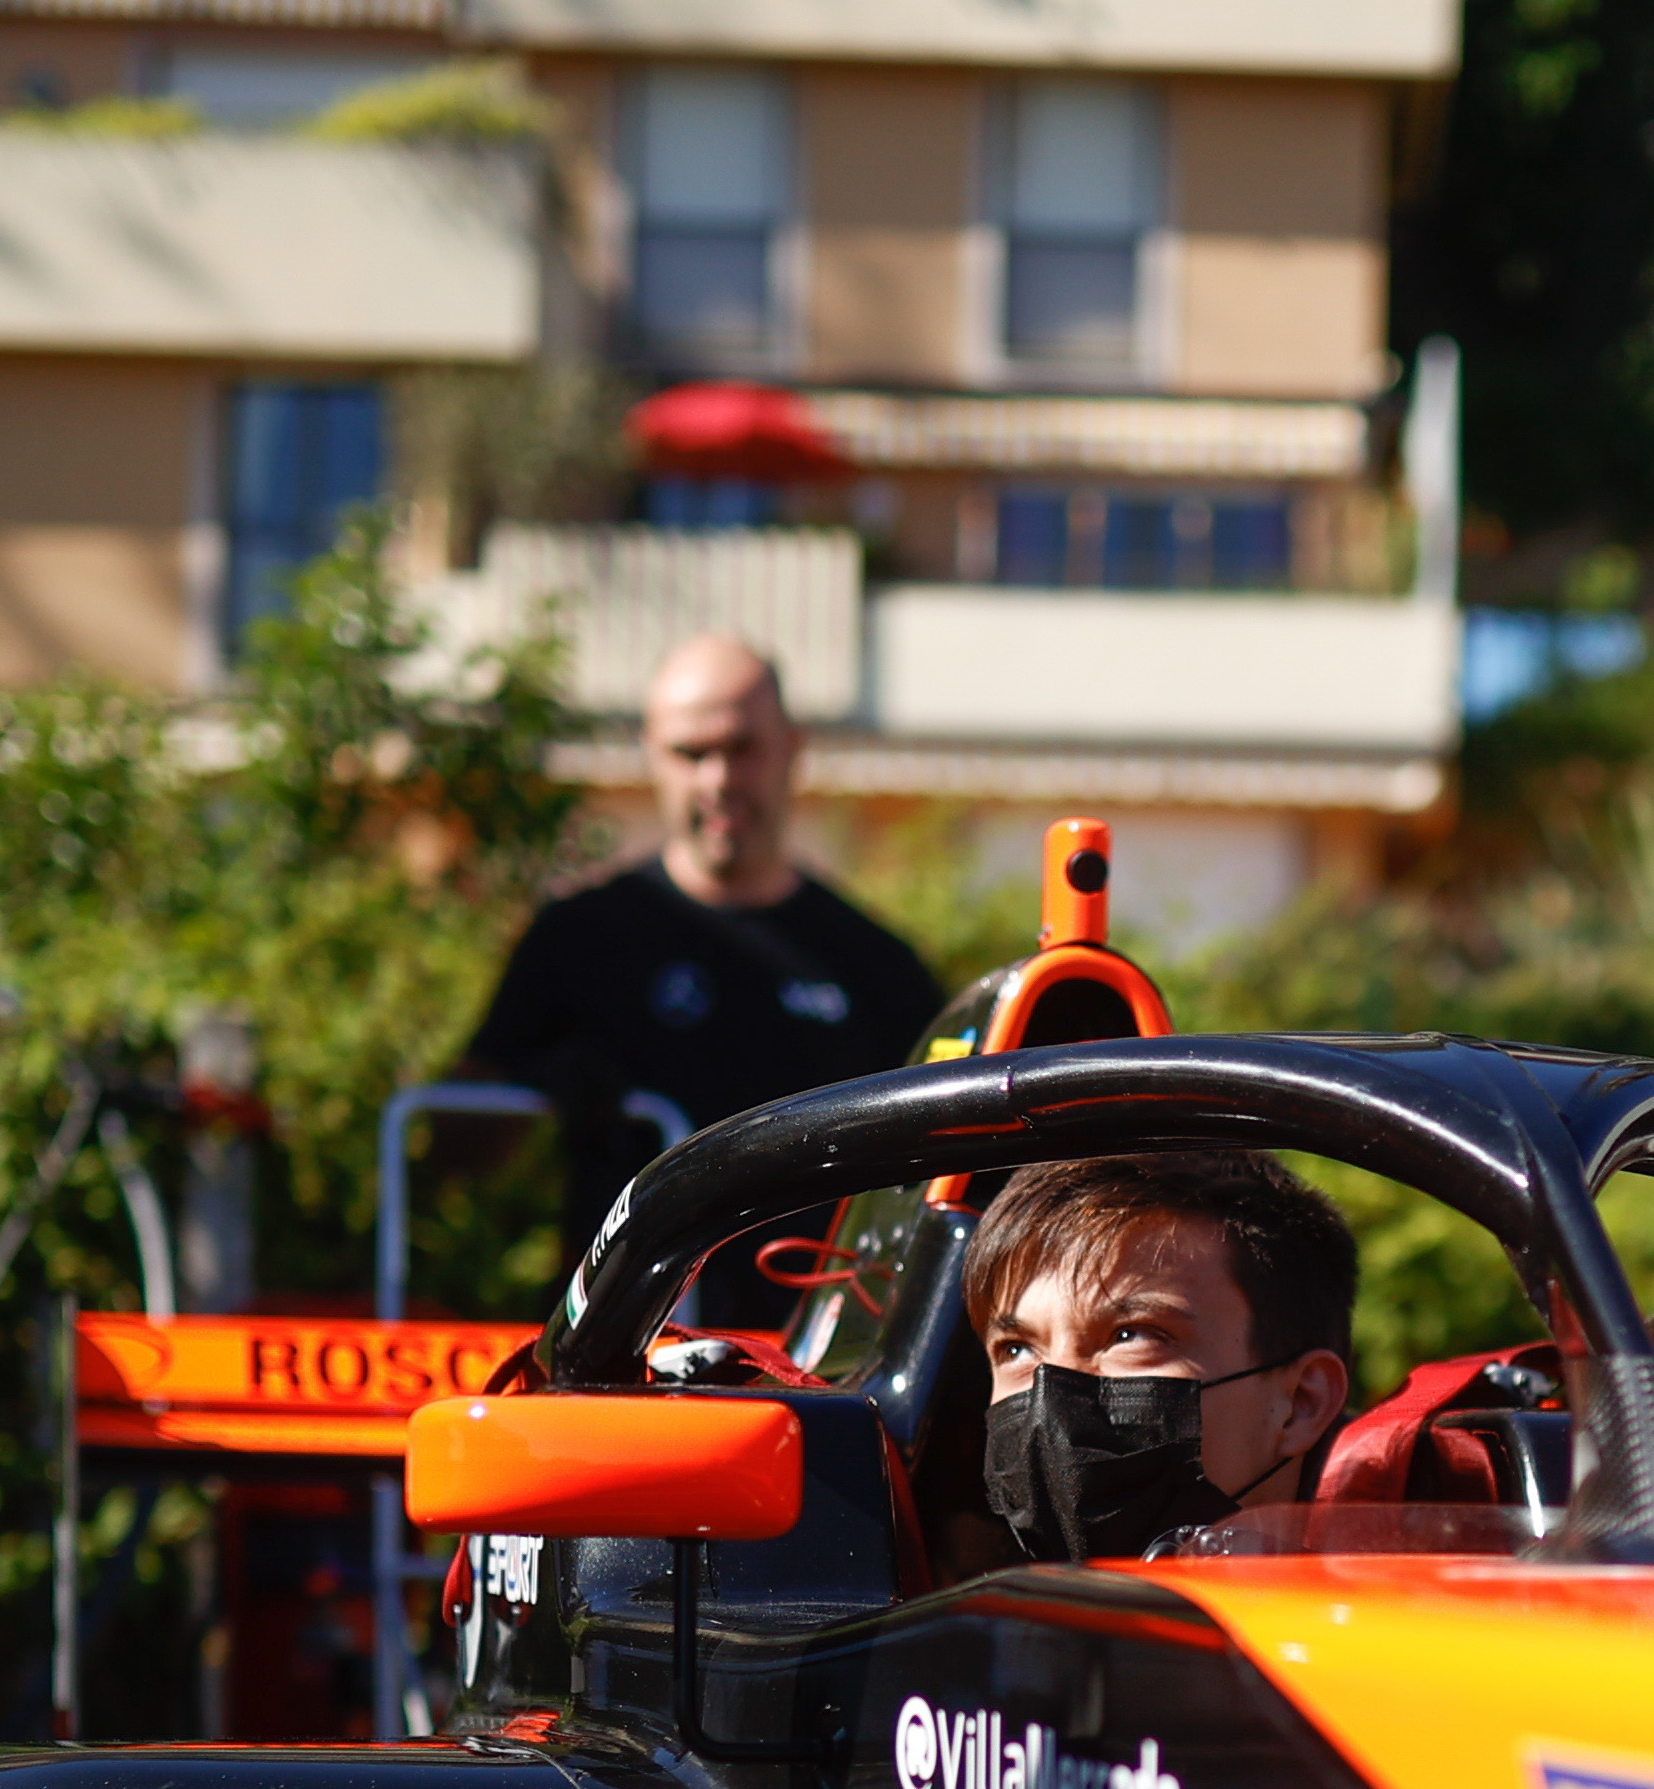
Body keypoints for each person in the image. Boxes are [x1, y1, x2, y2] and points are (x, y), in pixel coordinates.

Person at [448, 632, 932, 1327]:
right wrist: (540, 1086)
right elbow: (451, 1151)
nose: (718, 779)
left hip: (813, 1374)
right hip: (620, 1362)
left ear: (793, 748)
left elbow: (941, 1183)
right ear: (650, 753)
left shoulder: (877, 966)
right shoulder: (582, 937)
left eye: (742, 748)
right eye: (690, 753)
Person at [966, 1154, 1360, 1563]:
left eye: (1129, 1335)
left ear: (1299, 1404)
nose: (1052, 1397)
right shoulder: (953, 1619)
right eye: (1017, 1348)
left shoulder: (1391, 1620)